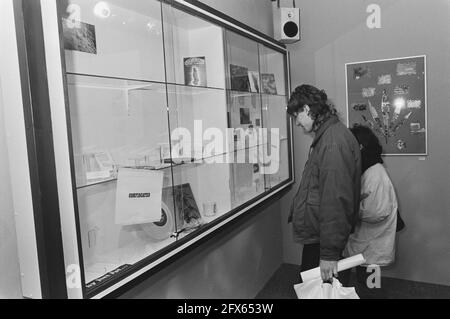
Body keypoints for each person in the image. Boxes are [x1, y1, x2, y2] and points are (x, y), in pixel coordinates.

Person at [287, 84, 361, 283]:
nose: (296, 123)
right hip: (321, 236)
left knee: (320, 292)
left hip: (324, 241)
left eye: (296, 116)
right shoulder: (329, 136)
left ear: (307, 109)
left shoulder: (332, 142)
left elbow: (335, 201)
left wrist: (328, 254)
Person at [341, 125, 398, 294]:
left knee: (371, 287)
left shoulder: (375, 174)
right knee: (364, 281)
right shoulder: (369, 169)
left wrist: (349, 210)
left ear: (359, 147)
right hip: (367, 242)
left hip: (373, 244)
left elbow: (378, 212)